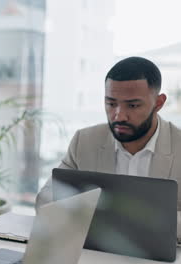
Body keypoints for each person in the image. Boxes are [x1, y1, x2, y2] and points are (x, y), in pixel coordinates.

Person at [36, 56, 181, 238]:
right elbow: (45, 199)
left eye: (133, 105)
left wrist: (128, 218)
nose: (119, 116)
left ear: (159, 103)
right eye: (111, 104)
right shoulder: (85, 141)